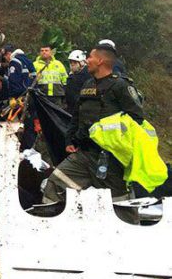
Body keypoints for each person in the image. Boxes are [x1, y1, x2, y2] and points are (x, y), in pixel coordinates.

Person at [42, 44, 144, 223]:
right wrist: (70, 139)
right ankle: (48, 227)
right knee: (55, 184)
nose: (86, 60)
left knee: (121, 205)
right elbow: (77, 115)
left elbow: (137, 118)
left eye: (90, 57)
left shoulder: (120, 86)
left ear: (101, 60)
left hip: (110, 160)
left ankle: (132, 237)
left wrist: (109, 133)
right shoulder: (87, 84)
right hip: (83, 155)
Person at [64, 50, 89, 115]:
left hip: (83, 110)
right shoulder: (71, 75)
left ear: (82, 63)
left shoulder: (88, 75)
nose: (72, 64)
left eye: (75, 62)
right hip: (71, 109)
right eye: (71, 62)